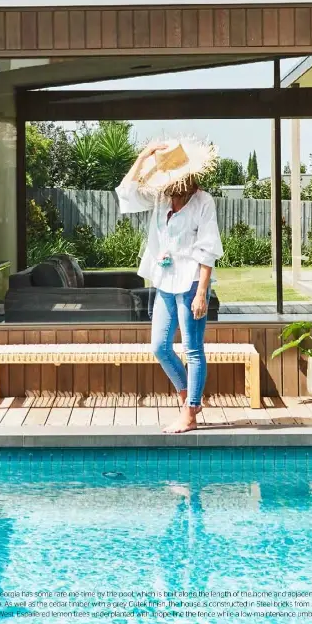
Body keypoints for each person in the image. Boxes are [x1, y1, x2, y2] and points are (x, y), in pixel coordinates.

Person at [115, 138, 224, 434]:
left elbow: (208, 249)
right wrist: (144, 155)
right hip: (164, 281)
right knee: (160, 347)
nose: (169, 183)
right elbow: (126, 192)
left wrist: (202, 293)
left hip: (190, 283)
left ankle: (189, 414)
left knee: (192, 349)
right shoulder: (161, 198)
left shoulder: (204, 201)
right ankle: (188, 397)